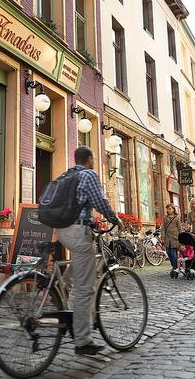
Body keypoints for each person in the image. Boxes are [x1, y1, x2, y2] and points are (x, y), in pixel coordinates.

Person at [55, 146, 124, 355]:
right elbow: (100, 202)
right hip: (78, 230)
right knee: (86, 287)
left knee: (80, 262)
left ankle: (59, 290)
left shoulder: (66, 174)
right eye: (93, 159)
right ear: (90, 159)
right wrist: (115, 219)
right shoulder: (88, 175)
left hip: (61, 230)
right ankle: (83, 340)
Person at [161, 203, 181, 274]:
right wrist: (162, 238)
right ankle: (174, 266)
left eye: (170, 209)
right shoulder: (165, 218)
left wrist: (180, 239)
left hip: (175, 238)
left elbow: (179, 229)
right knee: (168, 253)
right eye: (168, 209)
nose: (168, 210)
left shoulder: (177, 218)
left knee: (173, 253)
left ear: (173, 209)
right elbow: (163, 228)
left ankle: (175, 268)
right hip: (167, 239)